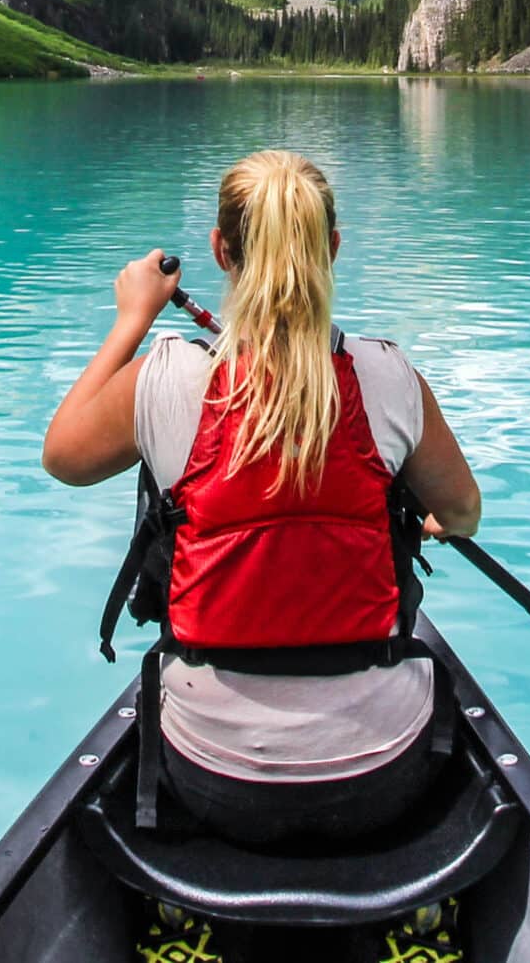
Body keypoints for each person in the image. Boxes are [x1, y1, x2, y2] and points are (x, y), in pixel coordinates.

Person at [42, 149, 483, 848]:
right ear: (332, 249)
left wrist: (133, 318)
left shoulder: (164, 380)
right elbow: (464, 513)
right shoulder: (389, 377)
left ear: (221, 251)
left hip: (210, 777)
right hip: (382, 775)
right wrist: (431, 519)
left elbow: (62, 456)